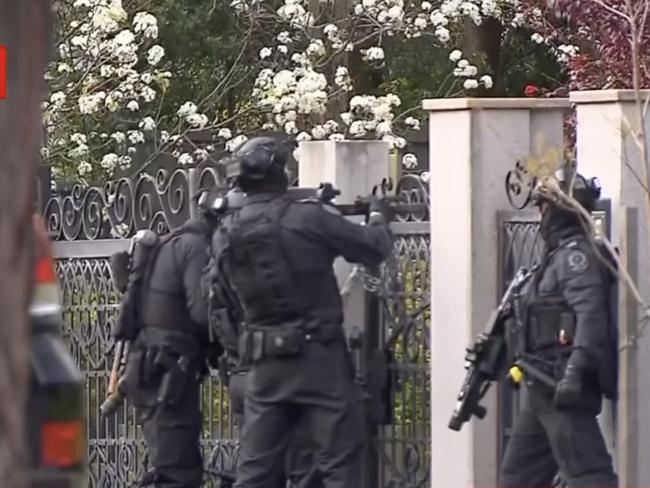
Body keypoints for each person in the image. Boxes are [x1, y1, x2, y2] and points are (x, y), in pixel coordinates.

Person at [209, 135, 394, 488]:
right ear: (281, 173)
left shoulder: (226, 233)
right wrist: (377, 215)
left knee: (256, 472)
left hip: (264, 365)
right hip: (318, 359)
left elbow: (222, 296)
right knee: (340, 465)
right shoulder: (308, 217)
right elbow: (373, 249)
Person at [500, 172, 618, 487]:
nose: (540, 216)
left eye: (544, 208)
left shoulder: (576, 257)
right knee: (517, 477)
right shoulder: (555, 257)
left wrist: (575, 374)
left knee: (588, 476)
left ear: (562, 210)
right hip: (541, 386)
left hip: (561, 385)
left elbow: (591, 317)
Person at [205, 184, 325, 488]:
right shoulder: (263, 262)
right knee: (301, 461)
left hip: (239, 373)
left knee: (259, 466)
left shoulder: (218, 262)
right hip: (273, 372)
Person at [119, 206, 221, 488]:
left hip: (148, 367)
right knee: (179, 474)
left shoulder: (168, 244)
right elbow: (203, 314)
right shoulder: (196, 247)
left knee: (171, 466)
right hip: (167, 373)